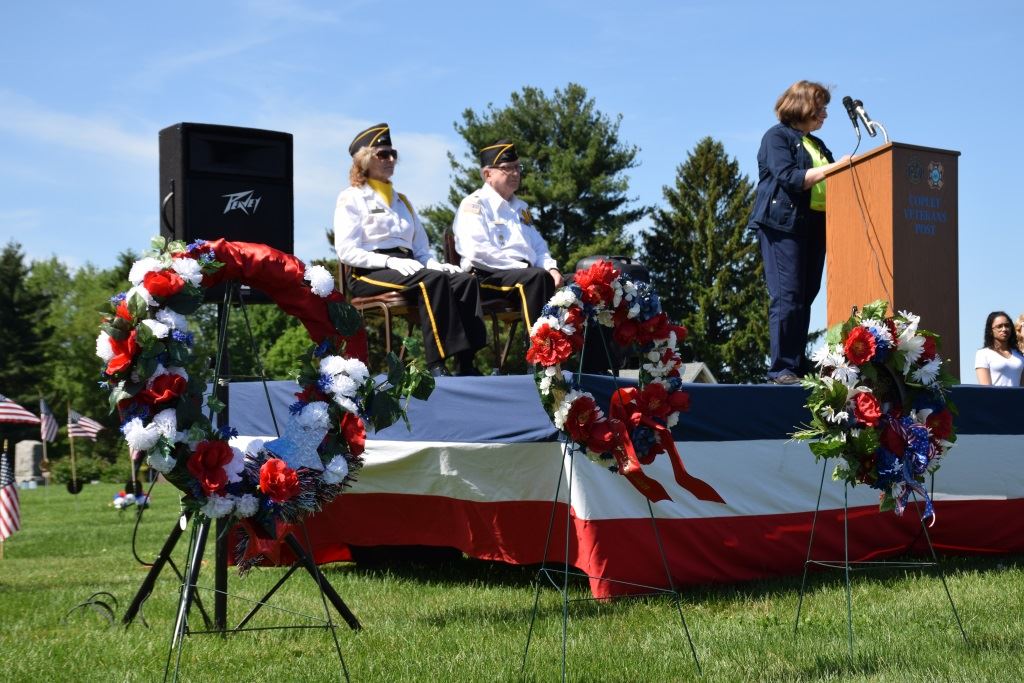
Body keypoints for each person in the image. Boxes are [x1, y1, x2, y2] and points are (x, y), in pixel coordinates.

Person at [334, 123, 486, 377]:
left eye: (393, 154)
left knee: (463, 281)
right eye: (383, 154)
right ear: (365, 160)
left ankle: (467, 362)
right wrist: (388, 262)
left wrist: (434, 263)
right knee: (432, 282)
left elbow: (420, 249)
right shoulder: (351, 197)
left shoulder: (401, 200)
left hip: (410, 266)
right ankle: (437, 363)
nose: (391, 159)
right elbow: (346, 251)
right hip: (367, 272)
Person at [748, 81, 852, 385]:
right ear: (803, 106)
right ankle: (780, 367)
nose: (825, 115)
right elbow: (790, 177)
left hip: (814, 226)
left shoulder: (816, 144)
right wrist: (835, 169)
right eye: (821, 108)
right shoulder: (776, 137)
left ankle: (795, 362)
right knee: (787, 295)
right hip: (782, 226)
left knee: (805, 295)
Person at [451, 140, 562, 331]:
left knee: (581, 282)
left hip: (527, 275)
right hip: (487, 278)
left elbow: (538, 247)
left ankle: (594, 359)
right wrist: (523, 267)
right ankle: (541, 356)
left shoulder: (521, 208)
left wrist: (551, 269)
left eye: (518, 167)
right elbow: (477, 252)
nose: (516, 173)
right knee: (537, 279)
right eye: (507, 168)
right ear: (487, 174)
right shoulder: (474, 204)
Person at [975, 311, 1024, 386]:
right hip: (994, 397)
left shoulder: (1019, 355)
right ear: (991, 331)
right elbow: (985, 389)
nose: (1004, 329)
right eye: (999, 326)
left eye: (1007, 325)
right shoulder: (983, 354)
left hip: (1017, 397)